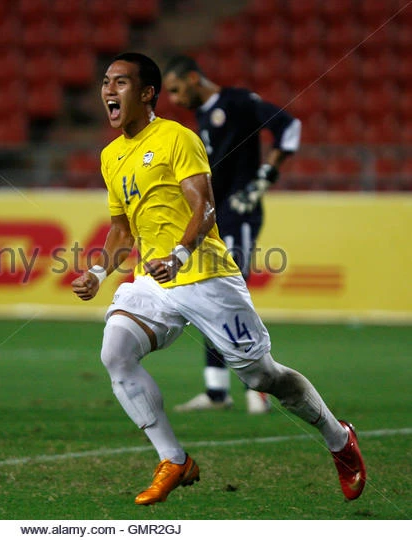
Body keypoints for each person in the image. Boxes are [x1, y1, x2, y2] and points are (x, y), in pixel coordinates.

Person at [71, 52, 365, 505]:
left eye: (121, 82)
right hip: (154, 281)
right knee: (116, 351)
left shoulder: (177, 138)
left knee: (263, 377)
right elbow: (122, 230)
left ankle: (339, 439)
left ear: (147, 93)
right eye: (106, 82)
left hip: (205, 275)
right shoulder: (111, 156)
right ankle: (174, 460)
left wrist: (179, 254)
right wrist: (97, 271)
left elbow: (205, 207)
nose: (108, 90)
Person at [162, 54, 302, 414]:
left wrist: (265, 177)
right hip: (213, 217)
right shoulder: (203, 115)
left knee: (230, 293)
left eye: (176, 90)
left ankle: (259, 385)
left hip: (239, 213)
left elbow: (289, 126)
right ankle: (216, 391)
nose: (174, 100)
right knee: (211, 293)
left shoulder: (237, 101)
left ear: (193, 79)